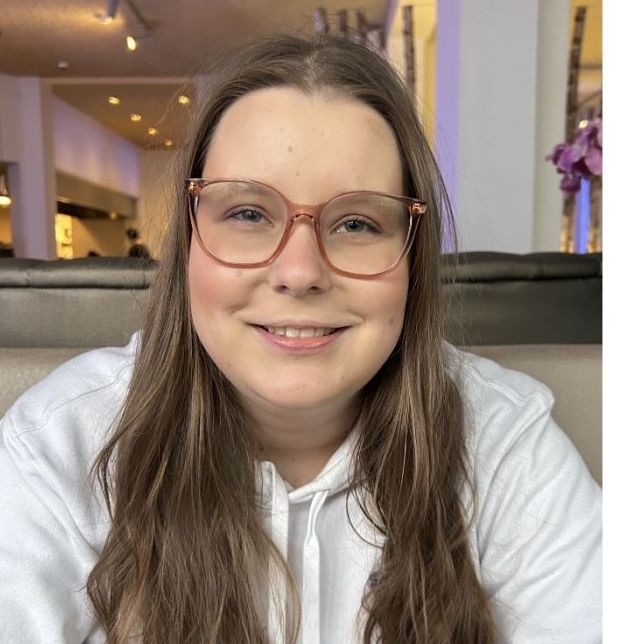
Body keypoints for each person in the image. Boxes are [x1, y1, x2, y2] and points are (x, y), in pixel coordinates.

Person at [0, 34, 601, 644]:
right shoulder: (62, 443)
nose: (299, 272)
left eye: (357, 223)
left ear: (413, 259)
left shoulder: (503, 440)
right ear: (188, 240)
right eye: (248, 214)